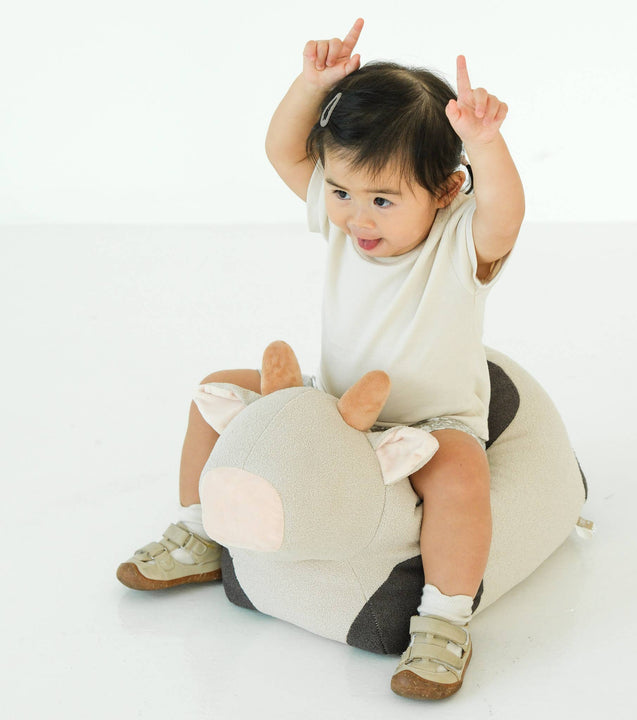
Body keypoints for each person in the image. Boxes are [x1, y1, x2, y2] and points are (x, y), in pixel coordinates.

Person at [117, 17, 524, 701]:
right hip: (333, 408)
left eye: (383, 200)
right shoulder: (346, 221)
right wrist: (312, 85)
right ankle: (198, 531)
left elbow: (505, 213)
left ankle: (444, 617)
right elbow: (282, 150)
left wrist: (485, 143)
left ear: (447, 190)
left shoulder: (460, 241)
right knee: (216, 391)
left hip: (430, 422)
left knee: (461, 474)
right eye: (341, 193)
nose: (357, 218)